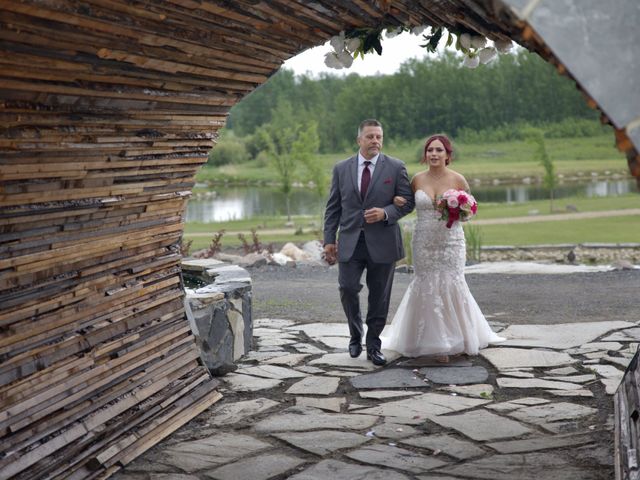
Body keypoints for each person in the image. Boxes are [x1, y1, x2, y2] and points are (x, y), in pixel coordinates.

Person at [382, 134, 505, 362]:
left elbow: (471, 209)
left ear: (448, 155)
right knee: (426, 283)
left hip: (451, 242)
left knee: (452, 282)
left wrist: (458, 211)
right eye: (430, 150)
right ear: (425, 155)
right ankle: (432, 343)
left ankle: (456, 339)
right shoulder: (417, 179)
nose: (434, 154)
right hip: (423, 241)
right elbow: (409, 205)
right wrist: (398, 202)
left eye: (439, 150)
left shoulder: (458, 179)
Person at [323, 119, 415, 366]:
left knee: (379, 296)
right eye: (370, 136)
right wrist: (329, 240)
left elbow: (407, 201)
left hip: (383, 242)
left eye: (379, 137)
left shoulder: (396, 167)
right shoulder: (341, 168)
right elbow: (333, 208)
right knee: (348, 287)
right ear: (359, 140)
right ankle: (355, 335)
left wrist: (385, 213)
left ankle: (374, 345)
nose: (375, 141)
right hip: (350, 241)